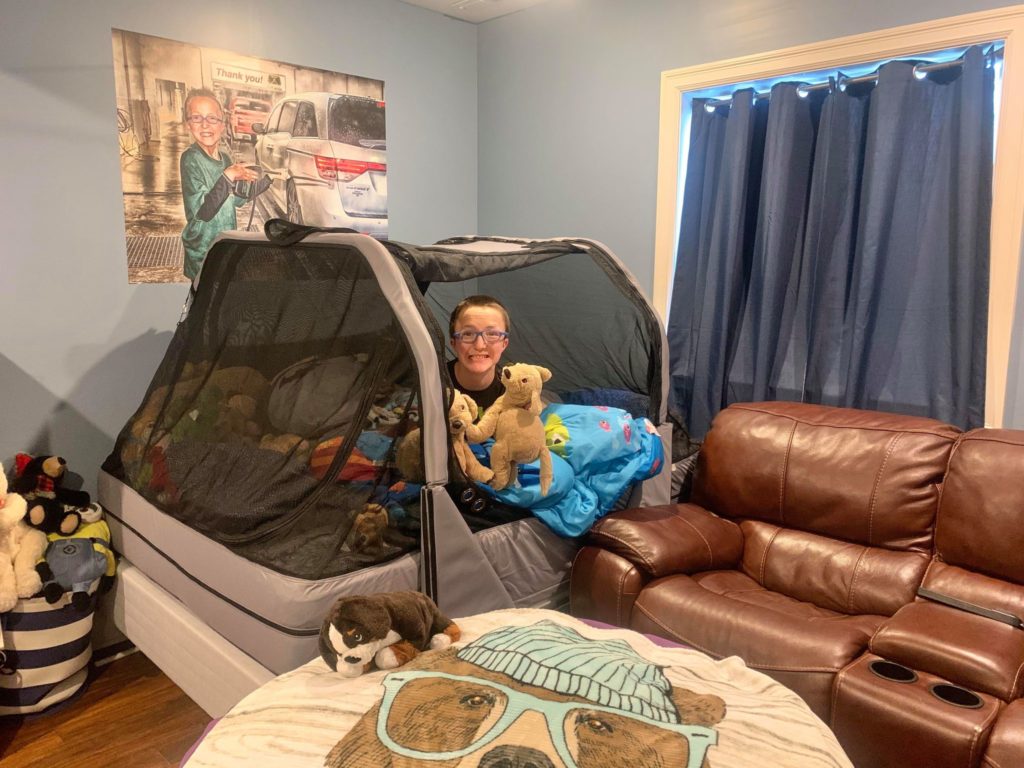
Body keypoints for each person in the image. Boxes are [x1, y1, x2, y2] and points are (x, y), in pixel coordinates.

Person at [179, 88, 268, 280]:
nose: (205, 125)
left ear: (222, 125)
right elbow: (205, 211)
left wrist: (266, 182)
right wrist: (228, 176)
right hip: (203, 252)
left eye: (212, 118)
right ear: (188, 124)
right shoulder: (190, 159)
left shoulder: (225, 158)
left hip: (225, 246)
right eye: (196, 118)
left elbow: (235, 200)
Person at [448, 295, 511, 415]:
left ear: (504, 343)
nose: (479, 345)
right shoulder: (432, 386)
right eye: (468, 334)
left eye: (492, 334)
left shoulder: (512, 391)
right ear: (453, 343)